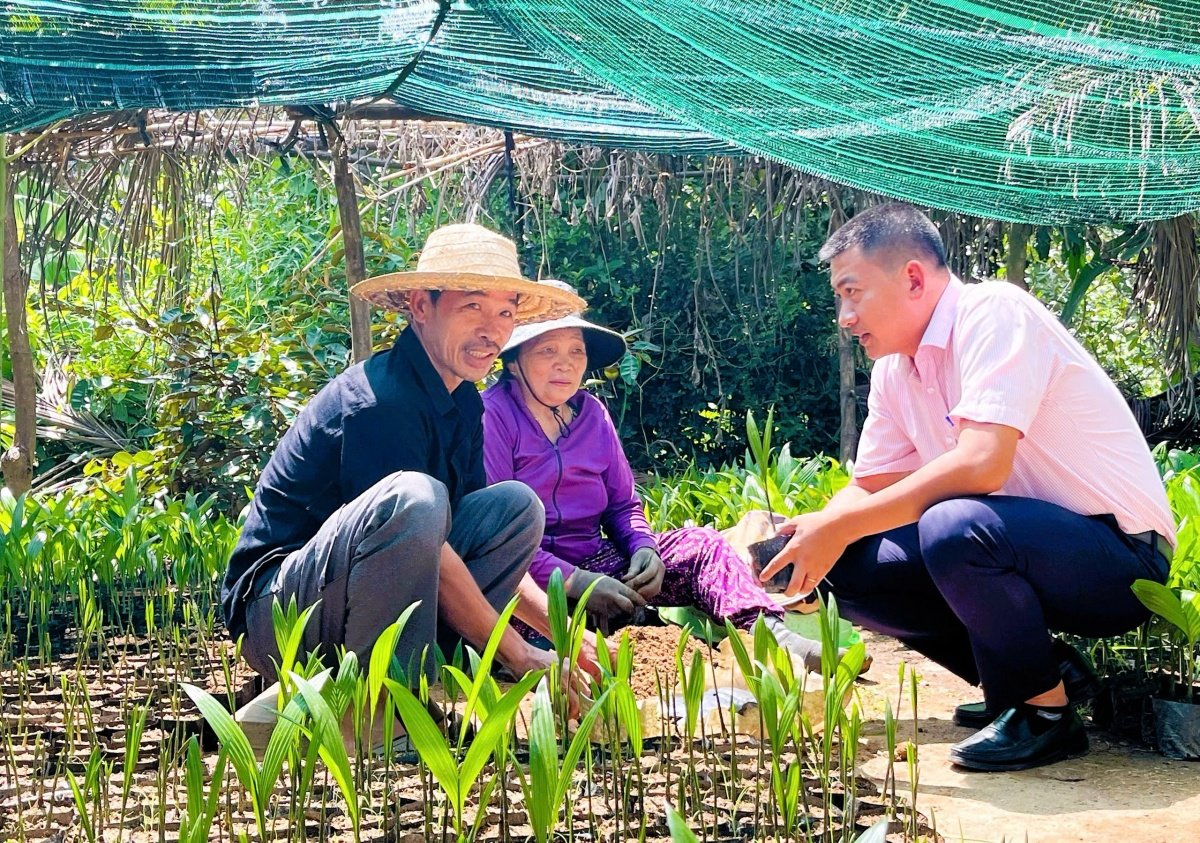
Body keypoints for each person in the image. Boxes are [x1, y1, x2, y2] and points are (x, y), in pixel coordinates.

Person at [760, 203, 1174, 771]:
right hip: (1020, 546)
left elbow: (983, 465)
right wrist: (809, 547)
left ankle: (1045, 718)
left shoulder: (994, 314)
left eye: (853, 292)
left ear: (911, 278)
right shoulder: (893, 372)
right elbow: (869, 485)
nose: (845, 316)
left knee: (953, 525)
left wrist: (838, 525)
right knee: (844, 563)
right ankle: (1042, 675)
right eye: (840, 297)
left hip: (1120, 559)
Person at [221, 223, 600, 715]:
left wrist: (564, 633)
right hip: (280, 614)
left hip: (358, 594)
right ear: (422, 307)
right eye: (473, 307)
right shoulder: (381, 402)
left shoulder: (463, 399)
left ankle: (427, 677)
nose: (493, 329)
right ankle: (382, 706)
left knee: (513, 508)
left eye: (505, 312)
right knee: (416, 499)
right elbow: (426, 543)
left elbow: (456, 545)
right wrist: (521, 651)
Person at [481, 292, 838, 671]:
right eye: (547, 351)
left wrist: (643, 548)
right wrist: (574, 582)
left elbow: (622, 505)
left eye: (576, 352)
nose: (565, 365)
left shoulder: (592, 414)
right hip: (528, 582)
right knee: (517, 620)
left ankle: (771, 636)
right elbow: (499, 541)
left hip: (595, 561)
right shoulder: (493, 415)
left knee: (701, 545)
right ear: (515, 362)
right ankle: (574, 642)